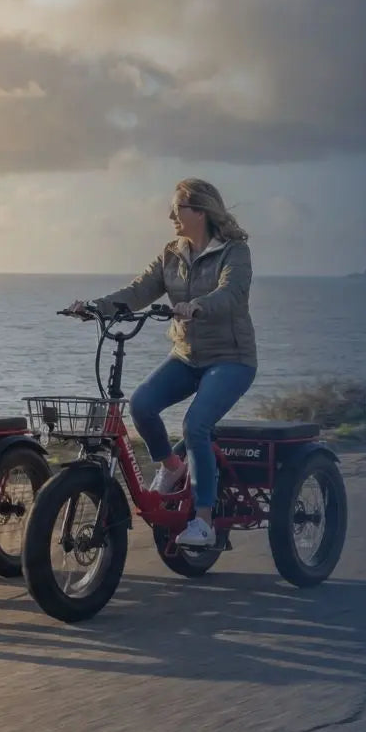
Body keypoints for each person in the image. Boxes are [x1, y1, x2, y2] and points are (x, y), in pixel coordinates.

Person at [69, 178, 257, 547]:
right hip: (186, 356)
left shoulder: (235, 252)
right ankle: (173, 467)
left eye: (177, 209)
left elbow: (231, 293)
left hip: (231, 359)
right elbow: (138, 291)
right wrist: (94, 308)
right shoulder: (172, 253)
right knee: (141, 404)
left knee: (195, 425)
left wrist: (198, 305)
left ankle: (204, 520)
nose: (171, 216)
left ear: (200, 211)